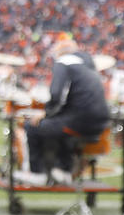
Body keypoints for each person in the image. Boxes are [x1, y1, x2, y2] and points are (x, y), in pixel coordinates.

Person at [18, 34, 110, 185]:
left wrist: (45, 114)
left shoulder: (64, 62)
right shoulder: (88, 64)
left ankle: (36, 173)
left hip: (80, 121)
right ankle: (64, 171)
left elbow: (56, 96)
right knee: (62, 129)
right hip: (101, 123)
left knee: (32, 126)